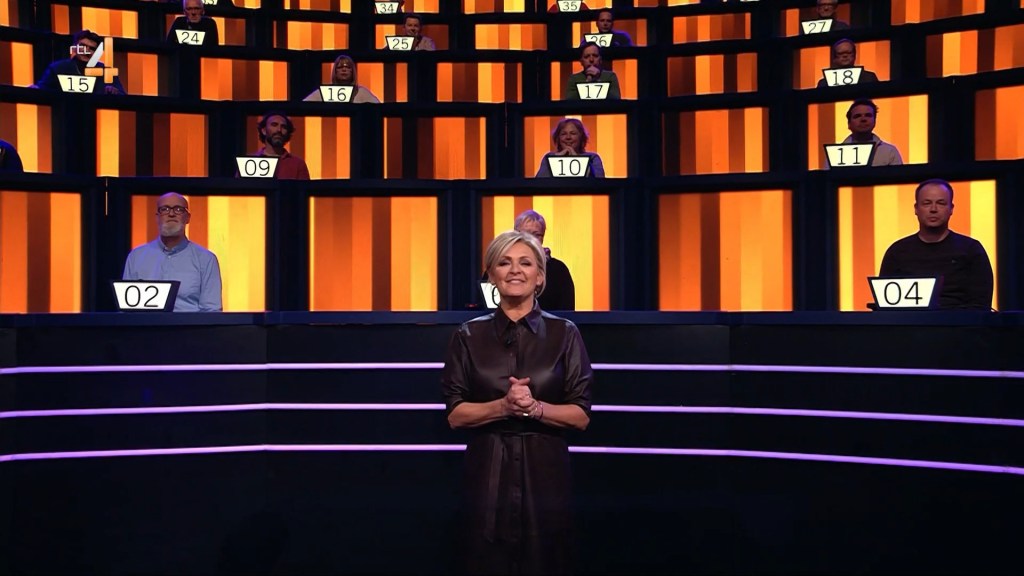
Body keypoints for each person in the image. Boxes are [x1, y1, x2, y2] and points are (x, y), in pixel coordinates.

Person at [442, 229, 593, 575]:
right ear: (491, 275)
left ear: (539, 276)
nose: (515, 270)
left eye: (525, 263)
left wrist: (535, 408)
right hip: (487, 475)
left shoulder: (565, 333)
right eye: (504, 263)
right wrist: (503, 407)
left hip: (546, 474)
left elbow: (581, 415)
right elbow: (455, 414)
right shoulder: (467, 335)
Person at [879, 179, 993, 310]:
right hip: (909, 322)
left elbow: (981, 306)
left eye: (941, 203)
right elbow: (886, 306)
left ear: (951, 209)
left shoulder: (971, 250)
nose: (933, 209)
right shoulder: (897, 252)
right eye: (927, 203)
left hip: (959, 322)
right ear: (916, 209)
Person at [123, 192, 223, 312]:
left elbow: (211, 311)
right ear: (157, 217)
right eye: (164, 209)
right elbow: (127, 309)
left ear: (187, 217)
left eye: (178, 209)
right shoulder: (136, 257)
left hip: (189, 324)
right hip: (147, 324)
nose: (171, 214)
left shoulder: (206, 260)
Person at [480, 210, 576, 311]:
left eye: (536, 234)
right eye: (525, 234)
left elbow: (567, 312)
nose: (530, 239)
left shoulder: (559, 270)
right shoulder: (497, 266)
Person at [32, 29, 126, 95]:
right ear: (74, 47)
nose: (87, 51)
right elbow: (41, 90)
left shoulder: (107, 73)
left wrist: (115, 92)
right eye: (83, 46)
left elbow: (122, 97)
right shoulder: (57, 68)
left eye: (92, 49)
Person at [827, 99, 903, 168]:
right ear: (849, 123)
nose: (863, 119)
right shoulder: (835, 154)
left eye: (868, 115)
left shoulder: (890, 151)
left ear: (875, 121)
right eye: (857, 116)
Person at [239, 111, 310, 180]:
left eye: (284, 127)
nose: (279, 130)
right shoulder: (249, 162)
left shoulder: (298, 164)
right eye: (274, 125)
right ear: (264, 130)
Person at [535, 118, 605, 178]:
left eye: (573, 133)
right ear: (558, 138)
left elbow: (599, 182)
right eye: (563, 134)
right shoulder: (549, 157)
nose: (568, 137)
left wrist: (576, 159)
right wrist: (555, 159)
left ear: (581, 137)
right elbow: (539, 182)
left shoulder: (593, 158)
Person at [303, 54, 380, 103]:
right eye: (340, 67)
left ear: (352, 71)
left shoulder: (361, 92)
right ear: (335, 71)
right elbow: (305, 104)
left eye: (347, 67)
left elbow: (378, 107)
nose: (344, 69)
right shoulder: (326, 92)